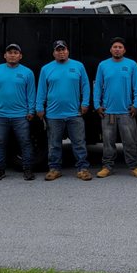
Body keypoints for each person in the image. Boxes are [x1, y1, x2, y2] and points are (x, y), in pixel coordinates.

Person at [36, 40, 92, 181]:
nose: (61, 52)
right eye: (58, 50)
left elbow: (85, 86)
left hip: (75, 113)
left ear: (68, 51)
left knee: (79, 143)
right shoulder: (46, 69)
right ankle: (54, 169)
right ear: (53, 53)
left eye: (63, 49)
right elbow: (41, 90)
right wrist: (39, 107)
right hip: (53, 114)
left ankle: (82, 169)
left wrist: (85, 103)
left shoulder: (78, 66)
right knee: (54, 144)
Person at [0, 43, 36, 182]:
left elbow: (31, 93)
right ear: (5, 55)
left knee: (25, 142)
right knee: (0, 143)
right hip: (0, 115)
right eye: (10, 52)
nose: (12, 55)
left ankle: (28, 170)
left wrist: (31, 110)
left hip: (21, 115)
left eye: (15, 52)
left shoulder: (27, 72)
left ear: (20, 56)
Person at [93, 36, 137, 178]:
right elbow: (98, 88)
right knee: (108, 142)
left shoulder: (132, 65)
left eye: (120, 47)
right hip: (108, 112)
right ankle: (107, 166)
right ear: (110, 49)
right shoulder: (103, 65)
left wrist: (136, 105)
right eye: (115, 47)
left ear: (124, 50)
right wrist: (97, 105)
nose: (117, 49)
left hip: (127, 112)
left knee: (130, 141)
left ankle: (134, 166)